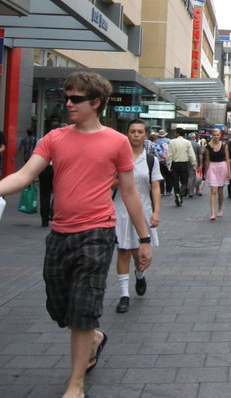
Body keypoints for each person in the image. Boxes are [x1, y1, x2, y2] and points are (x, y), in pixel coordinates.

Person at [0, 71, 152, 398]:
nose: (68, 103)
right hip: (59, 234)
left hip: (97, 232)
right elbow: (25, 175)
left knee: (84, 306)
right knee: (60, 306)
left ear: (95, 102)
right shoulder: (54, 138)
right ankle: (94, 337)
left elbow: (129, 193)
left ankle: (76, 383)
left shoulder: (117, 141)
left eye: (75, 99)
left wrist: (143, 239)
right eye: (65, 97)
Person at [113, 119, 162, 314]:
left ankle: (140, 275)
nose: (135, 135)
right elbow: (107, 183)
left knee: (139, 253)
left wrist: (157, 211)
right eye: (132, 131)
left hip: (144, 209)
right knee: (123, 251)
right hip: (121, 210)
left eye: (140, 131)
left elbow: (156, 186)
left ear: (145, 135)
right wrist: (120, 179)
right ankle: (124, 294)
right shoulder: (116, 158)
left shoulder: (151, 159)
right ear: (126, 134)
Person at [203, 128, 231, 220]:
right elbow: (207, 159)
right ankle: (212, 212)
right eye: (214, 135)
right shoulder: (208, 146)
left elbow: (227, 159)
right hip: (212, 167)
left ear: (220, 135)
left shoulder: (224, 145)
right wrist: (205, 172)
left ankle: (219, 208)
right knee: (213, 191)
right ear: (212, 135)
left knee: (220, 191)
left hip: (222, 167)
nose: (216, 136)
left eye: (217, 135)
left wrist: (229, 172)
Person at [38, 122, 61, 227]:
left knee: (44, 195)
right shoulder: (62, 141)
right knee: (58, 193)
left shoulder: (41, 140)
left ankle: (44, 219)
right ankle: (53, 213)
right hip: (57, 169)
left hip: (43, 169)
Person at [167, 127, 197, 207]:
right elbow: (191, 155)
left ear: (177, 133)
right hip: (184, 164)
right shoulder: (187, 142)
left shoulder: (172, 142)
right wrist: (194, 165)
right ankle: (181, 193)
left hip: (175, 164)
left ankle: (177, 194)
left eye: (175, 132)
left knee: (175, 181)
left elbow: (169, 155)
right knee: (185, 181)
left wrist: (168, 165)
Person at [155, 129, 172, 196]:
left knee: (161, 176)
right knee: (169, 176)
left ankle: (161, 191)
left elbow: (158, 151)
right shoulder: (169, 141)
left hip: (160, 160)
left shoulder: (157, 142)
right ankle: (168, 190)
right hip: (168, 160)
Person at [187, 132, 202, 198]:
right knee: (192, 176)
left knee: (187, 176)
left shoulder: (186, 144)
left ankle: (186, 189)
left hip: (186, 161)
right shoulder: (197, 145)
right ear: (194, 137)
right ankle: (191, 192)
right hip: (194, 161)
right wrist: (201, 164)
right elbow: (200, 155)